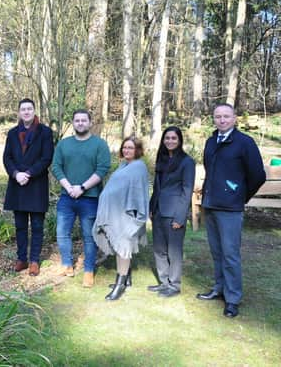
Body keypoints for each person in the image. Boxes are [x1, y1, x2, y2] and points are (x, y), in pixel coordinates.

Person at [196, 103, 265, 318]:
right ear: (213, 119)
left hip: (230, 209)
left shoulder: (245, 143)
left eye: (226, 116)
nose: (222, 120)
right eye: (218, 116)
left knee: (230, 254)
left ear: (234, 118)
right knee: (217, 253)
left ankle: (233, 298)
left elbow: (257, 175)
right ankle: (219, 289)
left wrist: (240, 197)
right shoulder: (210, 141)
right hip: (211, 205)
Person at [51, 109, 111, 287]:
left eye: (84, 120)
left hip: (90, 198)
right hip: (67, 197)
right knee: (62, 234)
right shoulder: (64, 144)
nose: (80, 123)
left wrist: (82, 187)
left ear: (90, 123)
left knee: (89, 236)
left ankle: (88, 271)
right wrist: (69, 187)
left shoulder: (99, 145)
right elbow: (56, 166)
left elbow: (102, 168)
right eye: (77, 120)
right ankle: (67, 265)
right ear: (73, 123)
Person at [93, 136, 150, 301]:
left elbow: (139, 193)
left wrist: (135, 218)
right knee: (121, 247)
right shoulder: (124, 165)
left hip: (126, 214)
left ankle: (120, 285)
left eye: (130, 148)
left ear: (137, 150)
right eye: (125, 147)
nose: (126, 150)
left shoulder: (138, 167)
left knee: (123, 247)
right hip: (116, 213)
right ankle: (127, 279)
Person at [3, 98, 54, 276]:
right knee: (20, 225)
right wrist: (16, 174)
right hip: (17, 184)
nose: (26, 112)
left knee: (37, 226)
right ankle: (22, 259)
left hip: (36, 184)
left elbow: (46, 158)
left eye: (29, 109)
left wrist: (29, 173)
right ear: (19, 112)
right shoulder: (12, 133)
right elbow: (7, 158)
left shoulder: (45, 132)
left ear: (34, 111)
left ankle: (34, 260)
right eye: (23, 109)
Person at [148, 126, 195, 298]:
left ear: (180, 140)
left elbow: (187, 190)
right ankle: (164, 282)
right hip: (159, 210)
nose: (170, 141)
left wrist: (180, 217)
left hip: (174, 213)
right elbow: (156, 186)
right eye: (167, 138)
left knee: (174, 251)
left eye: (174, 138)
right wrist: (152, 208)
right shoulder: (161, 159)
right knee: (159, 249)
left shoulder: (187, 162)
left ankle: (174, 285)